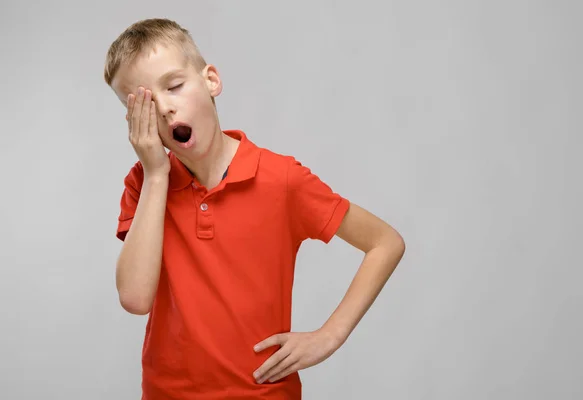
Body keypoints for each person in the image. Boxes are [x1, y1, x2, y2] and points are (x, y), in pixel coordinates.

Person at [104, 17, 405, 400]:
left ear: (210, 80)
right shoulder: (143, 184)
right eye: (144, 103)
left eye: (175, 86)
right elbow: (134, 298)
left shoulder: (281, 179)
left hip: (263, 393)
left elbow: (385, 242)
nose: (164, 108)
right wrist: (157, 175)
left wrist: (330, 335)